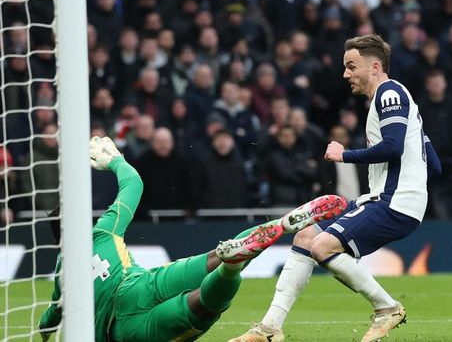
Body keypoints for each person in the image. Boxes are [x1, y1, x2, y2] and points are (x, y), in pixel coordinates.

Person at [230, 34, 442, 342]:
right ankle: (270, 328)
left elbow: (394, 147)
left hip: (393, 201)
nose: (345, 74)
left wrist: (345, 155)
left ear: (375, 66)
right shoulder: (399, 102)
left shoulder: (389, 92)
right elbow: (434, 165)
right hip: (388, 198)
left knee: (323, 246)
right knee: (306, 236)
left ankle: (387, 307)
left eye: (351, 66)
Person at [38, 136, 347, 342]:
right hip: (141, 284)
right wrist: (116, 161)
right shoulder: (103, 230)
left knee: (199, 308)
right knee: (213, 257)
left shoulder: (62, 274)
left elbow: (51, 316)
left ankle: (230, 269)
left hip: (124, 329)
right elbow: (133, 183)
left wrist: (44, 330)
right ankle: (270, 231)